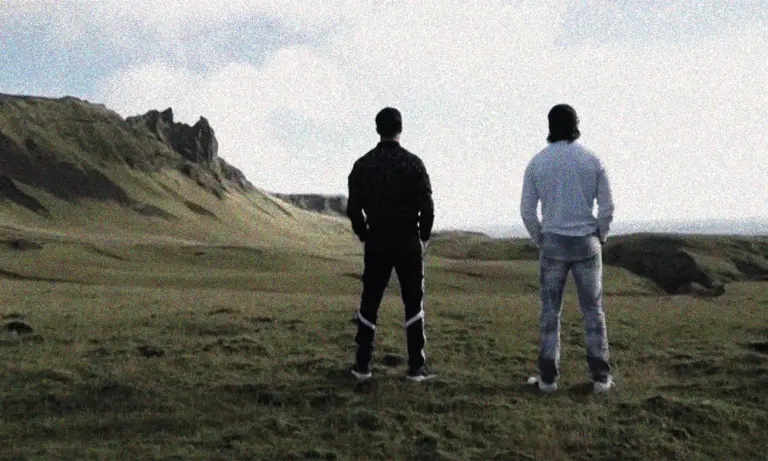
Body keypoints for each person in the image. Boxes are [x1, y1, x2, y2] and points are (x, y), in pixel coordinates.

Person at [520, 104, 615, 394]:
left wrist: (541, 238)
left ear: (550, 126)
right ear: (576, 124)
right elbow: (608, 206)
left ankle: (548, 380)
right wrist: (600, 234)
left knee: (550, 312)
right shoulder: (592, 160)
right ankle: (601, 378)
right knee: (593, 311)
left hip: (553, 243)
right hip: (586, 242)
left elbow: (527, 211)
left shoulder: (538, 162)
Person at [347, 107, 436, 382]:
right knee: (413, 302)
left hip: (377, 239)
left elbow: (353, 208)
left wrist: (365, 234)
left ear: (378, 129)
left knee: (370, 301)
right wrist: (423, 237)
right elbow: (428, 206)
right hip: (407, 239)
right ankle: (416, 367)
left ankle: (362, 366)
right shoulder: (414, 164)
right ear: (400, 129)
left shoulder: (362, 165)